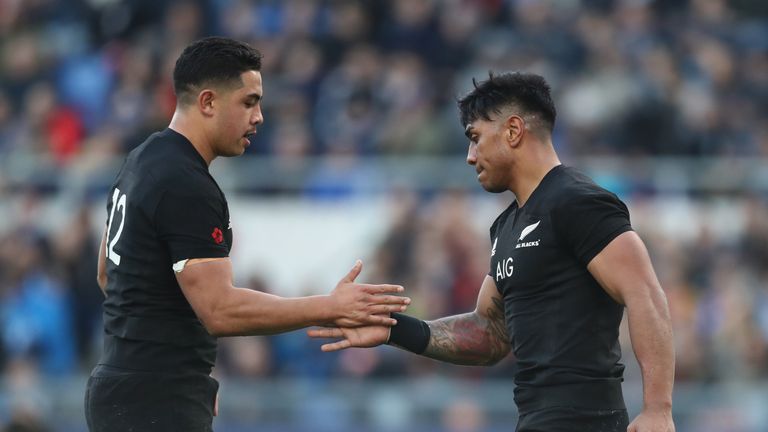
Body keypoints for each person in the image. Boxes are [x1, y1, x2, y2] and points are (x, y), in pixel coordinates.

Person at [309, 72, 676, 432]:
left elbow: (645, 294)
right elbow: (490, 333)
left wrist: (657, 409)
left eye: (475, 138)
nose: (470, 156)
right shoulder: (505, 227)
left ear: (513, 131)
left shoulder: (578, 201)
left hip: (586, 419)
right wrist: (393, 329)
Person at [84, 37, 410, 432]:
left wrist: (181, 363)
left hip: (128, 386)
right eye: (249, 101)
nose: (259, 117)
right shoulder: (185, 183)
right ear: (207, 102)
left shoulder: (141, 159)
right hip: (153, 398)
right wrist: (331, 306)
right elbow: (220, 309)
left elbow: (107, 274)